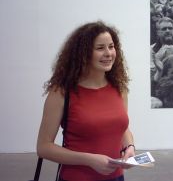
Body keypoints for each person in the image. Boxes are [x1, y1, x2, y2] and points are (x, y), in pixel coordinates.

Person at [37, 21, 135, 181]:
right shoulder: (62, 92)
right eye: (100, 48)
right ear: (83, 53)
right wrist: (90, 160)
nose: (108, 53)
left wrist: (129, 146)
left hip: (116, 177)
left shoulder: (119, 88)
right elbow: (43, 147)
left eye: (111, 46)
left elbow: (122, 128)